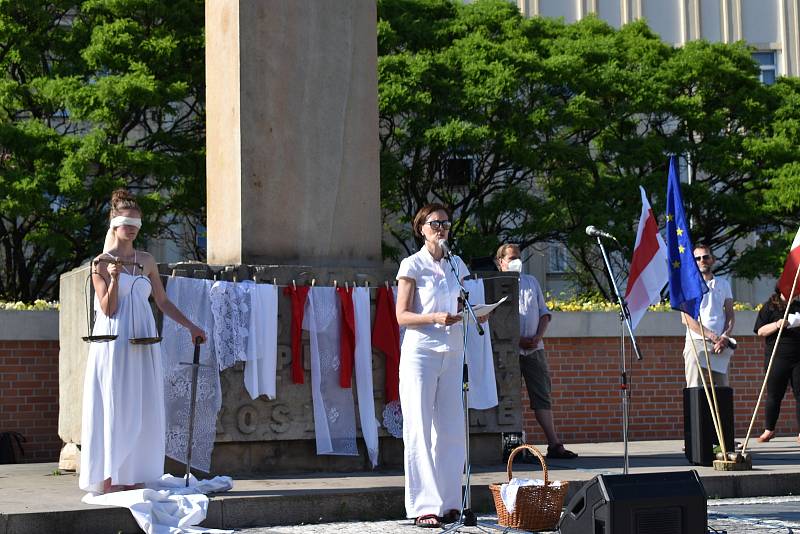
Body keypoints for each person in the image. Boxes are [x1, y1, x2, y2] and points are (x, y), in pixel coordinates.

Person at [79, 189, 206, 494]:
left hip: (144, 342)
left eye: (137, 222)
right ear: (114, 224)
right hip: (114, 342)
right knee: (115, 403)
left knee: (141, 405)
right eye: (127, 222)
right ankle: (109, 477)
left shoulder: (147, 260)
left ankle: (134, 473)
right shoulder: (100, 263)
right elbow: (108, 309)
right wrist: (113, 278)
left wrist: (190, 326)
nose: (132, 227)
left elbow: (161, 301)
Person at [395, 203, 487, 528]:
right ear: (422, 228)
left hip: (452, 349)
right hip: (421, 352)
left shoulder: (455, 262)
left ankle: (451, 503)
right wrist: (433, 317)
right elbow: (401, 316)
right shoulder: (412, 264)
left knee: (450, 430)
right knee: (419, 428)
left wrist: (477, 310)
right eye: (435, 223)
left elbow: (463, 302)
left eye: (446, 223)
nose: (442, 229)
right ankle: (424, 505)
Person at [495, 244, 577, 460]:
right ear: (500, 262)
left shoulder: (531, 282)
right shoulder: (494, 284)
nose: (516, 261)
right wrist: (516, 340)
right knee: (508, 399)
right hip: (507, 352)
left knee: (542, 395)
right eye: (512, 258)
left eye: (518, 257)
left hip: (534, 350)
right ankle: (514, 448)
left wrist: (538, 336)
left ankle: (554, 444)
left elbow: (544, 313)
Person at [682, 244, 735, 388]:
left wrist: (724, 337)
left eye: (705, 257)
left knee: (723, 389)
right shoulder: (687, 286)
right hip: (696, 342)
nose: (702, 260)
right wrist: (711, 335)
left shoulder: (724, 284)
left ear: (712, 259)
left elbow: (730, 314)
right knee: (695, 388)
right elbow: (686, 319)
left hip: (719, 345)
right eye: (697, 258)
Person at [753, 288, 800, 443]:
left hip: (798, 358)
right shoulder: (769, 307)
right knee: (774, 394)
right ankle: (769, 430)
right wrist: (777, 324)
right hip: (777, 357)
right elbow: (760, 331)